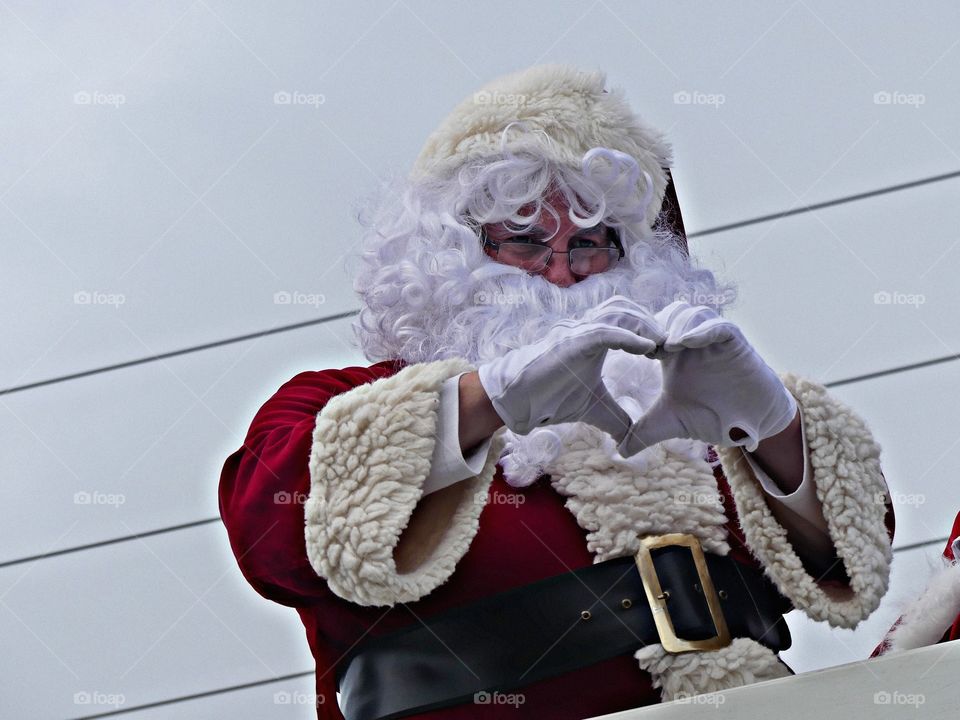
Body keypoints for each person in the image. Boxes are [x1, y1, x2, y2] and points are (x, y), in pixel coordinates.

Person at [218, 64, 896, 720]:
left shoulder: (690, 404)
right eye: (525, 241)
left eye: (591, 243)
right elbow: (270, 537)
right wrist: (486, 400)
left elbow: (853, 551)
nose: (563, 274)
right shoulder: (342, 400)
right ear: (449, 254)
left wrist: (774, 428)